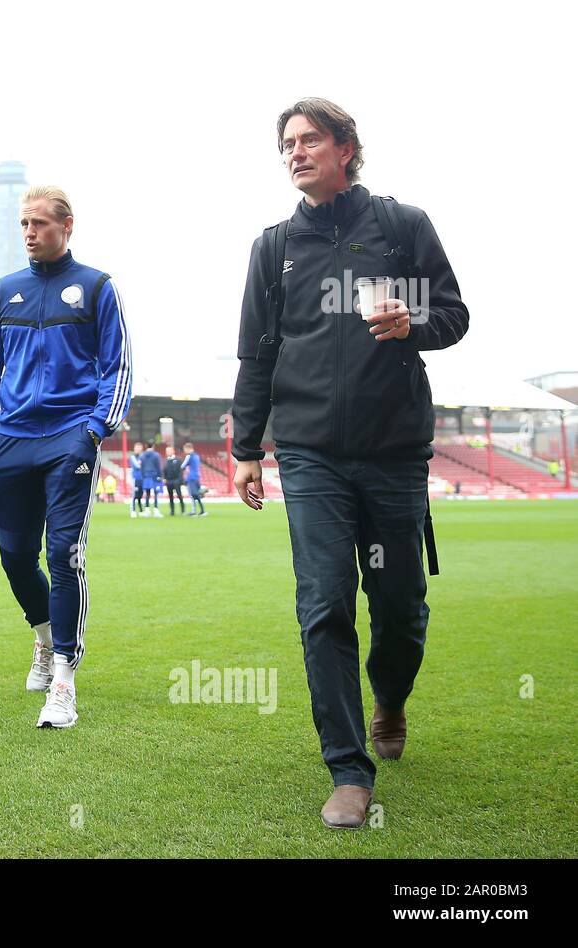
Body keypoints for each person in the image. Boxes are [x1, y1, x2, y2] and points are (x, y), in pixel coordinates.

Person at [230, 98, 469, 828]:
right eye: (287, 144)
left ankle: (389, 698)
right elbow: (257, 353)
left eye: (309, 140)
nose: (296, 152)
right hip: (310, 456)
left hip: (395, 451)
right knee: (325, 603)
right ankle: (346, 770)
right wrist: (245, 446)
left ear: (346, 147)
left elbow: (454, 315)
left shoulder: (402, 227)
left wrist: (412, 322)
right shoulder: (274, 248)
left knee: (399, 610)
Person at [0, 185, 132, 729]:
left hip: (69, 436)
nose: (29, 233)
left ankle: (63, 680)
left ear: (67, 226)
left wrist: (94, 429)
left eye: (39, 223)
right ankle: (42, 639)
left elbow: (117, 366)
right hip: (10, 442)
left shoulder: (96, 287)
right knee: (15, 557)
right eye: (24, 224)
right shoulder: (1, 293)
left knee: (63, 554)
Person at [182, 441, 205, 516]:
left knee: (192, 494)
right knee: (196, 494)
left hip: (191, 477)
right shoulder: (197, 456)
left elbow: (182, 466)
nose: (184, 451)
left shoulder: (189, 456)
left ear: (188, 448)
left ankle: (193, 511)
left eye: (185, 449)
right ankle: (202, 510)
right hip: (197, 477)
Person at [141, 440, 163, 517]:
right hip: (155, 477)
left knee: (147, 494)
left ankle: (147, 510)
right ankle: (156, 510)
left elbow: (142, 467)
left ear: (146, 446)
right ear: (153, 446)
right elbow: (159, 467)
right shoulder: (156, 455)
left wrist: (143, 476)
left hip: (146, 477)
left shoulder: (142, 455)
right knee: (156, 494)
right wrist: (160, 476)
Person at [163, 445, 184, 516]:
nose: (168, 452)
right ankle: (172, 511)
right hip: (169, 481)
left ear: (173, 451)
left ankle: (182, 510)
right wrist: (165, 479)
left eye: (169, 450)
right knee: (170, 496)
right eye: (167, 451)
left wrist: (179, 480)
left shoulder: (178, 460)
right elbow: (164, 471)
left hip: (176, 480)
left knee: (179, 496)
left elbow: (180, 471)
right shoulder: (165, 461)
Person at [129, 441, 145, 518]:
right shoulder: (133, 457)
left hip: (142, 478)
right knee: (134, 495)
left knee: (140, 495)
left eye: (139, 448)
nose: (138, 449)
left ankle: (141, 510)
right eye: (137, 447)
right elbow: (137, 466)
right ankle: (133, 510)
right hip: (135, 478)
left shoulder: (143, 456)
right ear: (134, 448)